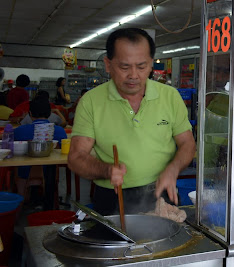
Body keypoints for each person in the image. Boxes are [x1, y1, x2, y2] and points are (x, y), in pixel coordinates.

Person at [68, 28, 196, 216]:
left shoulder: (170, 96)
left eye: (142, 66)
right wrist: (106, 170)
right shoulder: (91, 101)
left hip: (161, 192)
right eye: (124, 67)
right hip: (113, 196)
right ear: (108, 64)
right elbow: (76, 157)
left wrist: (173, 169)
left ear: (152, 64)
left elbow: (187, 144)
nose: (133, 75)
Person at [14, 97, 68, 210]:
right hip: (51, 176)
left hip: (24, 174)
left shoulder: (19, 130)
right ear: (49, 114)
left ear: (30, 113)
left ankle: (20, 206)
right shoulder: (59, 131)